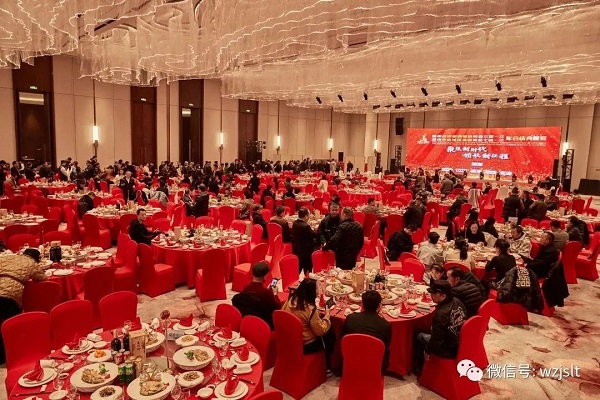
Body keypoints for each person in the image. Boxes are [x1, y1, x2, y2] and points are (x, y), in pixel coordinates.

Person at [0, 248, 47, 363]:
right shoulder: (32, 263)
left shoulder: (8, 257)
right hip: (10, 294)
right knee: (12, 325)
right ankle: (12, 355)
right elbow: (41, 278)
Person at [281, 279, 335, 374]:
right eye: (316, 289)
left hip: (289, 339)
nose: (318, 291)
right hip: (305, 344)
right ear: (311, 292)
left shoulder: (291, 299)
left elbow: (282, 313)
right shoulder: (310, 309)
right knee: (329, 333)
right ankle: (328, 366)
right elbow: (320, 331)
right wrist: (327, 316)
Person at [413, 280, 467, 375]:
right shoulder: (457, 301)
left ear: (443, 296)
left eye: (434, 294)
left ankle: (419, 369)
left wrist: (427, 351)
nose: (431, 296)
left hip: (448, 348)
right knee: (430, 329)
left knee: (418, 335)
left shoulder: (441, 314)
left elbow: (436, 340)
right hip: (460, 341)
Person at [341, 290, 391, 372]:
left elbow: (342, 339)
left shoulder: (351, 318)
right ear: (379, 306)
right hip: (376, 365)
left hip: (351, 360)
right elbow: (386, 346)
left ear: (362, 304)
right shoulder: (385, 325)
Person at [239, 262, 281, 327]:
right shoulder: (267, 293)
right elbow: (277, 308)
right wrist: (275, 294)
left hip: (246, 320)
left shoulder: (246, 287)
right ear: (265, 276)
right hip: (263, 323)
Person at [292, 207, 317, 274]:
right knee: (307, 269)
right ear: (306, 216)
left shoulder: (295, 223)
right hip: (306, 251)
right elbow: (313, 235)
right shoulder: (305, 226)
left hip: (297, 249)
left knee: (298, 268)